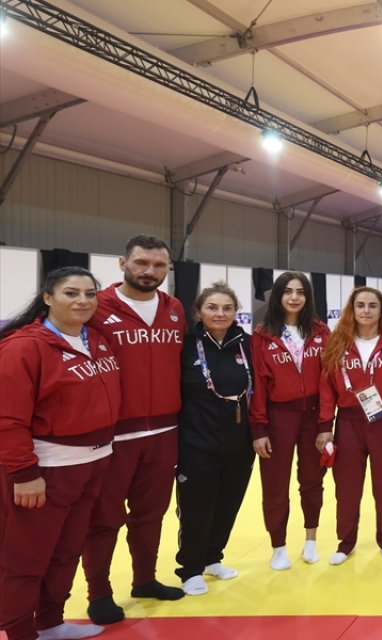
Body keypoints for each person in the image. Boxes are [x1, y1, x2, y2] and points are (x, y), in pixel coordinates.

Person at [0, 268, 120, 640]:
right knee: (26, 558)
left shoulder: (97, 340)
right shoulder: (24, 347)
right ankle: (19, 631)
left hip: (93, 463)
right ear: (48, 297)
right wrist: (23, 473)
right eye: (71, 293)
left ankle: (50, 620)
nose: (82, 300)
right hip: (47, 469)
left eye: (89, 293)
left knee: (67, 550)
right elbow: (7, 417)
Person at [82, 235, 187, 625]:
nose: (149, 272)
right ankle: (99, 592)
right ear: (122, 262)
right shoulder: (97, 307)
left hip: (164, 431)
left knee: (152, 514)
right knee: (103, 518)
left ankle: (145, 579)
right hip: (113, 434)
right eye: (142, 263)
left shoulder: (174, 308)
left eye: (159, 266)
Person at [317, 287, 382, 565]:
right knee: (346, 487)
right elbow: (326, 389)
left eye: (373, 305)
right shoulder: (337, 344)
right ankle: (346, 542)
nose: (366, 311)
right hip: (348, 423)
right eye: (361, 305)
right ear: (352, 309)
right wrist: (325, 426)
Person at [174, 282, 255, 596]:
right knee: (196, 508)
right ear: (199, 312)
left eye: (227, 308)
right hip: (196, 443)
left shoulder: (246, 344)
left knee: (227, 504)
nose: (220, 314)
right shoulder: (185, 345)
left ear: (236, 312)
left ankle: (213, 558)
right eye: (212, 307)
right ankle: (190, 568)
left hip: (239, 443)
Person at [250, 272, 331, 570]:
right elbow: (256, 383)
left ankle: (311, 539)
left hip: (312, 418)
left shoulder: (321, 332)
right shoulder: (262, 334)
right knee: (274, 485)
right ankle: (278, 545)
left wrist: (325, 424)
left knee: (312, 481)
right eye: (287, 292)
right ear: (278, 296)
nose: (294, 297)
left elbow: (328, 380)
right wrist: (259, 428)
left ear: (308, 297)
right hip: (277, 418)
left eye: (300, 292)